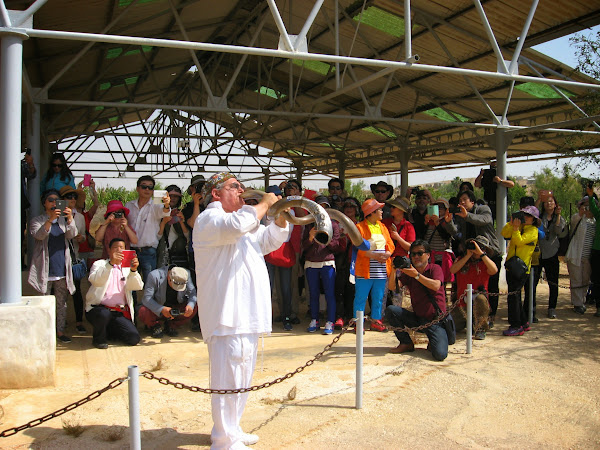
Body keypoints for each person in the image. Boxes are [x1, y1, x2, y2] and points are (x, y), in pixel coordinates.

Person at [192, 172, 289, 449]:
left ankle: (232, 430)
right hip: (226, 315)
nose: (242, 190)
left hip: (246, 313)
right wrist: (266, 203)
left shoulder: (244, 223)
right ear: (216, 193)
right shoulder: (210, 219)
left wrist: (280, 216)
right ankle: (223, 440)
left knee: (242, 374)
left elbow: (270, 240)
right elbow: (239, 223)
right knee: (228, 376)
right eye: (235, 186)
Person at [385, 240, 448, 361]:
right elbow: (393, 287)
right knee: (391, 310)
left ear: (428, 255)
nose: (416, 257)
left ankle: (436, 339)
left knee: (440, 355)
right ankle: (406, 343)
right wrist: (393, 270)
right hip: (418, 318)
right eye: (413, 254)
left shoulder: (435, 268)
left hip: (435, 321)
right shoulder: (409, 272)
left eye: (420, 253)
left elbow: (435, 285)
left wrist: (417, 275)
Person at [28, 189, 78, 343]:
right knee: (43, 303)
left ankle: (60, 331)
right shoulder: (37, 220)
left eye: (56, 200)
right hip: (44, 269)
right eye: (50, 200)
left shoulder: (64, 220)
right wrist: (49, 220)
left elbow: (73, 234)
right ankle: (44, 332)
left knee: (61, 304)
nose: (53, 203)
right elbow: (39, 235)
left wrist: (70, 218)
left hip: (61, 269)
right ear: (44, 203)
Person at [453, 190, 502, 328]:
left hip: (489, 253)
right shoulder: (461, 214)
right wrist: (447, 222)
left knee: (490, 288)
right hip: (470, 255)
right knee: (464, 285)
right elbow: (456, 232)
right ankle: (467, 318)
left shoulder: (483, 209)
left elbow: (485, 220)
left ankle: (488, 318)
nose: (462, 202)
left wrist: (467, 215)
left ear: (472, 201)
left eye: (464, 199)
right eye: (460, 200)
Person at [85, 238, 143, 349]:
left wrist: (134, 271)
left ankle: (110, 332)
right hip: (98, 309)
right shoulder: (100, 264)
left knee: (133, 338)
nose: (119, 250)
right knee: (103, 314)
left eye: (122, 248)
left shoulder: (127, 268)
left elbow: (137, 286)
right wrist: (111, 264)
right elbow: (96, 281)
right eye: (116, 248)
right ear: (109, 250)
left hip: (118, 311)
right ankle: (98, 339)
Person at [302, 195, 343, 335]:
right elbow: (304, 246)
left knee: (329, 294)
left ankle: (330, 321)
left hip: (327, 262)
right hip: (311, 263)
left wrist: (324, 238)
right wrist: (310, 237)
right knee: (313, 294)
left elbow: (336, 246)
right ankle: (314, 320)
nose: (322, 210)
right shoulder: (308, 225)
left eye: (325, 207)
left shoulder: (334, 225)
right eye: (320, 207)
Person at [352, 198, 394, 332]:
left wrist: (387, 254)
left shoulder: (383, 227)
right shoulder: (359, 227)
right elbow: (358, 248)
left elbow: (390, 244)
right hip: (365, 269)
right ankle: (358, 323)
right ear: (371, 212)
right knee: (361, 297)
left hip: (381, 269)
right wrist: (373, 255)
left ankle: (376, 321)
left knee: (378, 297)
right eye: (379, 210)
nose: (382, 212)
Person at [264, 185, 301, 331]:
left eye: (279, 195)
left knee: (286, 288)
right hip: (270, 251)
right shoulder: (268, 212)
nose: (278, 198)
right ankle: (267, 319)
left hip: (283, 251)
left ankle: (286, 317)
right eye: (274, 195)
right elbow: (269, 227)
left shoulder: (289, 211)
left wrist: (284, 213)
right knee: (268, 287)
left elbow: (287, 232)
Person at [501, 206, 540, 336]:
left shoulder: (533, 230)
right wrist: (511, 224)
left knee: (513, 297)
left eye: (528, 216)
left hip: (521, 268)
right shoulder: (519, 227)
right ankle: (523, 322)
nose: (525, 218)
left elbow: (519, 241)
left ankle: (516, 325)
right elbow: (504, 233)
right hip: (512, 266)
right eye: (524, 215)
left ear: (534, 219)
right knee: (515, 296)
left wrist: (516, 229)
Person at [450, 235, 498, 340]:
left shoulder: (485, 262)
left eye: (481, 247)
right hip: (462, 304)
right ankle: (470, 323)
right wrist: (468, 255)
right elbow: (453, 270)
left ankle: (481, 328)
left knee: (480, 299)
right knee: (450, 325)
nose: (477, 249)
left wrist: (482, 254)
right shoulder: (461, 259)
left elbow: (494, 270)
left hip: (479, 303)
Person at [125, 175, 171, 282]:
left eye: (150, 187)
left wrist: (167, 204)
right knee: (129, 283)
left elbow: (165, 212)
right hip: (130, 250)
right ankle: (133, 300)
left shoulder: (156, 206)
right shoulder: (129, 205)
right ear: (137, 188)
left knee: (149, 285)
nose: (147, 189)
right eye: (144, 186)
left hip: (148, 251)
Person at [139, 265, 198, 338]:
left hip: (177, 306)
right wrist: (161, 309)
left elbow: (192, 293)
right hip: (159, 307)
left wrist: (190, 305)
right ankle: (154, 325)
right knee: (143, 311)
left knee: (194, 306)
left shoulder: (186, 274)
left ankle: (172, 325)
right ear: (169, 278)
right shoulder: (154, 275)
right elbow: (147, 298)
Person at [534, 192, 567, 319]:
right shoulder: (539, 217)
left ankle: (552, 307)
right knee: (534, 282)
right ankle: (532, 307)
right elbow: (532, 213)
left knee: (553, 283)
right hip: (538, 253)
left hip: (552, 253)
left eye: (551, 201)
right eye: (546, 201)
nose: (549, 203)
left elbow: (558, 231)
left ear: (555, 204)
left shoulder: (560, 218)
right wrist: (538, 199)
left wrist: (558, 216)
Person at [60, 185, 88, 334]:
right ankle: (60, 321)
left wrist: (80, 237)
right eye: (68, 197)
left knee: (76, 292)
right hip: (58, 258)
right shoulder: (56, 214)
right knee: (59, 293)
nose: (72, 199)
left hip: (74, 257)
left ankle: (79, 321)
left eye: (74, 197)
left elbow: (83, 235)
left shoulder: (80, 217)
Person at [565, 196, 596, 314]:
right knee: (576, 279)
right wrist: (581, 213)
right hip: (575, 254)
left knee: (585, 280)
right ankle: (577, 303)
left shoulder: (594, 221)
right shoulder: (576, 218)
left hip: (588, 256)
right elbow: (573, 223)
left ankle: (582, 300)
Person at [157, 185, 190, 268]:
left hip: (178, 253)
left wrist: (181, 221)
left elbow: (187, 236)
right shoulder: (158, 212)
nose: (173, 198)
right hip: (162, 252)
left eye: (176, 196)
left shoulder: (183, 212)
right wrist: (164, 222)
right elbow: (157, 236)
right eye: (170, 196)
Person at [585, 185, 600, 317]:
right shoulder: (599, 215)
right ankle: (598, 306)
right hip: (597, 251)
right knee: (596, 279)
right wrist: (590, 196)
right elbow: (594, 208)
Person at [21, 148, 36, 268]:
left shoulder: (19, 165)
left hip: (19, 205)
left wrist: (30, 163)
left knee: (20, 234)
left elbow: (32, 174)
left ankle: (20, 261)